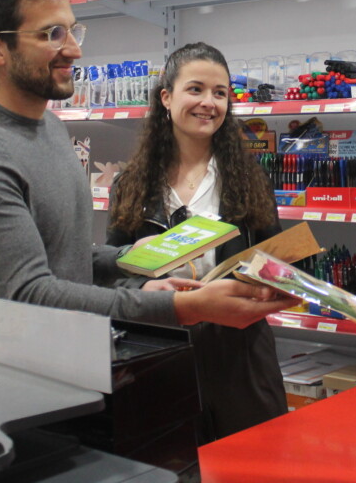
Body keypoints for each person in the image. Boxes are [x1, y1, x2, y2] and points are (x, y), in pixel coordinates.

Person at [0, 0, 297, 356]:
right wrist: (180, 307)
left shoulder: (47, 126)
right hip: (0, 383)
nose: (74, 49)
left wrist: (126, 258)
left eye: (72, 30)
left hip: (68, 366)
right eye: (52, 34)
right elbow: (28, 292)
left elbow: (60, 254)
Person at [107, 42, 287, 442]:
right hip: (161, 354)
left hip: (241, 359)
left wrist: (268, 282)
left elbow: (278, 261)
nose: (209, 103)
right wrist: (147, 288)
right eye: (196, 89)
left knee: (251, 465)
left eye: (220, 93)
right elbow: (112, 273)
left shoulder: (249, 178)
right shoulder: (130, 184)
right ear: (166, 97)